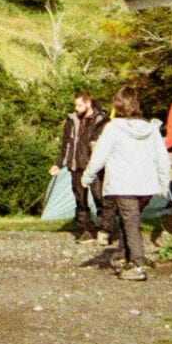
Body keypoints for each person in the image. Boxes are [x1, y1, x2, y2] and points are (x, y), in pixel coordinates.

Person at [82, 86, 171, 281]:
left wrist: (87, 176)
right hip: (147, 186)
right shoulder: (151, 128)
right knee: (128, 219)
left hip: (124, 184)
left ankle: (137, 265)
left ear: (118, 105)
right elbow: (162, 158)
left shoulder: (113, 128)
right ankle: (123, 255)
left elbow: (100, 155)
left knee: (131, 222)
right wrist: (164, 183)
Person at [49, 92, 108, 242]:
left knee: (99, 198)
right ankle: (85, 230)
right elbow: (65, 145)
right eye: (75, 105)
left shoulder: (102, 121)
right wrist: (58, 164)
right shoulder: (72, 120)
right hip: (75, 165)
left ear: (88, 104)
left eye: (79, 105)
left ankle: (104, 230)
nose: (76, 108)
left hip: (95, 167)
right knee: (80, 200)